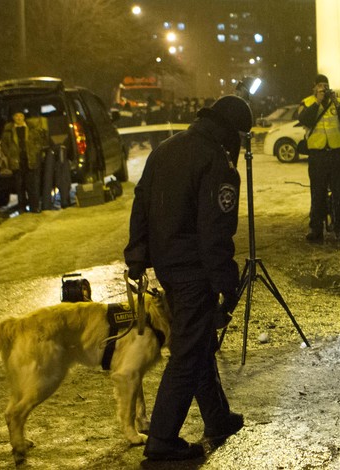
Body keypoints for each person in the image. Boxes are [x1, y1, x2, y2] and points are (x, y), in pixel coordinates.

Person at [124, 95, 252, 461]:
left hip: (167, 266)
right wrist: (227, 284)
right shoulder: (218, 163)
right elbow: (215, 234)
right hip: (195, 271)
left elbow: (141, 203)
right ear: (231, 131)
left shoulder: (165, 149)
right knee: (187, 354)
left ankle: (218, 418)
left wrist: (137, 256)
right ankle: (162, 438)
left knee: (197, 345)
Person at [297, 73, 340, 242]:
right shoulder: (307, 102)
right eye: (320, 85)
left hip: (336, 153)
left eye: (325, 85)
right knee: (317, 193)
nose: (323, 88)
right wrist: (317, 101)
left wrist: (336, 102)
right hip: (318, 155)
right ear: (314, 87)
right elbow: (304, 119)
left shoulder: (336, 102)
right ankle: (316, 230)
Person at [1, 110, 47, 213]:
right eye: (16, 116)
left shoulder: (32, 129)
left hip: (30, 160)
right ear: (13, 118)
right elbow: (4, 145)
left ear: (24, 117)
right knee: (20, 186)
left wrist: (35, 151)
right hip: (17, 162)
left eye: (21, 115)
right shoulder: (8, 131)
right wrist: (9, 155)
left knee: (32, 186)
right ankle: (22, 208)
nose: (19, 118)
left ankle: (34, 207)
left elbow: (40, 141)